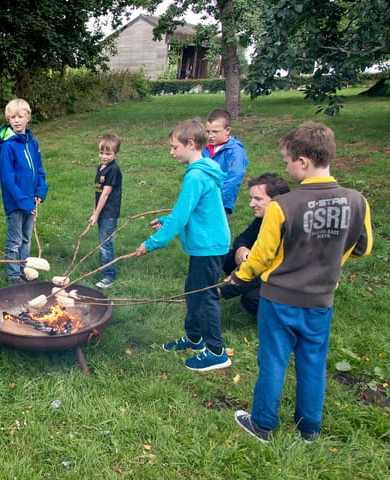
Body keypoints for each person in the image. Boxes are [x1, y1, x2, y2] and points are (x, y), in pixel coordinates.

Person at [228, 122, 372, 443]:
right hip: (320, 300)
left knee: (273, 360)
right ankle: (309, 430)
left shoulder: (283, 205)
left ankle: (262, 424)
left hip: (279, 300)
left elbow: (262, 257)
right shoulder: (356, 201)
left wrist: (240, 276)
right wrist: (331, 262)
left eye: (287, 161)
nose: (286, 167)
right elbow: (363, 247)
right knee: (313, 363)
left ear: (304, 162)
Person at [135, 119, 231, 372]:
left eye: (174, 147)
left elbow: (181, 216)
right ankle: (194, 338)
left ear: (190, 144)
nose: (171, 151)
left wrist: (152, 243)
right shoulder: (203, 170)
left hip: (209, 246)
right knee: (193, 291)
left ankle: (216, 352)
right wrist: (167, 220)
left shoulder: (196, 177)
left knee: (205, 297)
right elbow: (190, 211)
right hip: (206, 243)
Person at [220, 173, 290, 314]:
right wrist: (241, 248)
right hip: (261, 269)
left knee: (251, 298)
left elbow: (266, 273)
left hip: (283, 281)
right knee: (226, 256)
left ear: (276, 201)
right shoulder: (263, 218)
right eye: (251, 198)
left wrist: (221, 292)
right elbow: (243, 237)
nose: (251, 204)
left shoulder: (287, 227)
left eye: (257, 199)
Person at [0, 98, 48, 284]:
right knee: (15, 240)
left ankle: (24, 270)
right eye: (13, 117)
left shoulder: (32, 143)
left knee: (27, 238)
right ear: (8, 119)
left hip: (30, 201)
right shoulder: (7, 146)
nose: (17, 120)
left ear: (28, 117)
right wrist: (24, 203)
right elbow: (7, 180)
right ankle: (13, 274)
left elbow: (39, 170)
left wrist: (40, 192)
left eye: (20, 116)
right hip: (16, 202)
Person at [88, 133, 123, 289]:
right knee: (104, 242)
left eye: (108, 154)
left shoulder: (113, 170)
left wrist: (97, 214)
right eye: (101, 152)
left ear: (115, 153)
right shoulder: (100, 168)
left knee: (105, 244)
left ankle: (109, 276)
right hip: (101, 211)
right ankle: (106, 270)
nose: (104, 156)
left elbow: (106, 193)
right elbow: (97, 193)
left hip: (109, 213)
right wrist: (94, 212)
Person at [203, 109, 248, 214]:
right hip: (203, 200)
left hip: (220, 202)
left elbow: (234, 178)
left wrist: (216, 199)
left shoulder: (235, 151)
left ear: (227, 130)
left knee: (215, 229)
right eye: (208, 131)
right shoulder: (206, 150)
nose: (210, 136)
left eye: (215, 132)